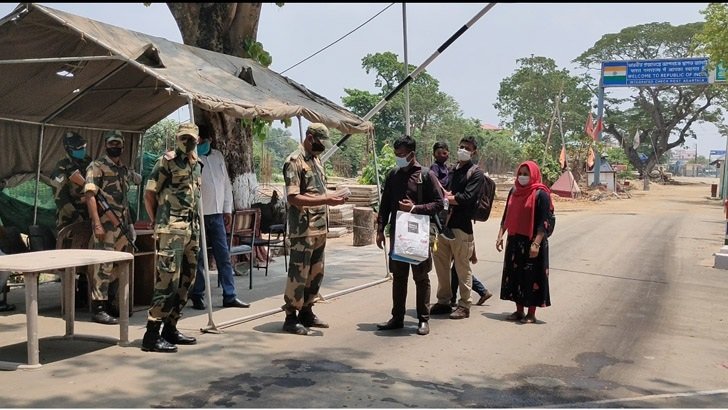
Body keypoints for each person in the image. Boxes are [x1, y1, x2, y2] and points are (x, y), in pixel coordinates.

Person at [281, 123, 347, 335]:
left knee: (316, 272)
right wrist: (327, 199)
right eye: (319, 143)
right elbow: (293, 197)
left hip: (319, 227)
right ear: (309, 138)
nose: (322, 148)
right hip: (303, 228)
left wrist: (333, 196)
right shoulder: (294, 162)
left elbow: (317, 190)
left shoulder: (316, 160)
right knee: (298, 274)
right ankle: (291, 316)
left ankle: (307, 311)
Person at [142, 123, 202, 353]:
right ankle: (151, 334)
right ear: (177, 139)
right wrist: (158, 220)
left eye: (191, 138)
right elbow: (149, 193)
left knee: (188, 279)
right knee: (166, 280)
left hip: (191, 229)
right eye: (183, 138)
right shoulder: (165, 162)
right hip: (171, 230)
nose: (187, 142)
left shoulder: (197, 164)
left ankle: (171, 327)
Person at [375, 135, 444, 336]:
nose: (398, 158)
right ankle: (397, 318)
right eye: (396, 154)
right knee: (399, 277)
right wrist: (381, 229)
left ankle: (423, 319)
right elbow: (385, 204)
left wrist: (415, 208)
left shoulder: (426, 175)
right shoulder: (393, 175)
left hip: (419, 235)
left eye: (401, 155)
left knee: (421, 277)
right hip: (398, 234)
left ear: (412, 154)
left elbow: (440, 204)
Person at [189, 124, 250, 310]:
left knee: (223, 256)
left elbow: (225, 185)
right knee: (199, 258)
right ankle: (197, 294)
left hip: (216, 215)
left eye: (206, 141)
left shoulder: (217, 156)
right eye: (200, 141)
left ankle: (229, 295)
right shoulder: (190, 158)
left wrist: (227, 209)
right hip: (198, 214)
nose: (203, 143)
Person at [84, 130, 141, 325]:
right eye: (111, 144)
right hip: (105, 223)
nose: (115, 147)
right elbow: (90, 196)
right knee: (103, 265)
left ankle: (110, 303)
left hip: (122, 224)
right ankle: (98, 307)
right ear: (106, 145)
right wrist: (97, 223)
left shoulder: (123, 169)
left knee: (118, 264)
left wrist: (131, 225)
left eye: (118, 144)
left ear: (123, 147)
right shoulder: (97, 166)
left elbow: (125, 200)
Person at [430, 141, 493, 308]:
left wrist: (445, 198)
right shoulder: (451, 170)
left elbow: (466, 198)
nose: (463, 150)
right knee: (442, 268)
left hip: (461, 228)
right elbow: (446, 191)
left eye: (468, 148)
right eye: (461, 146)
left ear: (474, 152)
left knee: (462, 268)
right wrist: (447, 197)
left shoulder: (476, 173)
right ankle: (443, 301)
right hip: (444, 226)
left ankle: (464, 305)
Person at [496, 160, 552, 324]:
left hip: (533, 241)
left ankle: (531, 313)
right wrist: (500, 235)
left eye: (526, 174)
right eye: (520, 173)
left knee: (531, 277)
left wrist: (536, 243)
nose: (522, 177)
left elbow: (544, 221)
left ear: (533, 175)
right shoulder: (514, 191)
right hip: (515, 240)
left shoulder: (541, 194)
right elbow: (507, 214)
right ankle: (519, 310)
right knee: (515, 275)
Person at [50, 131, 92, 307]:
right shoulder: (61, 168)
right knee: (71, 260)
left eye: (83, 147)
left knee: (89, 258)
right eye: (78, 148)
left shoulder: (89, 163)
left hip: (90, 217)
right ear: (68, 149)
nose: (82, 150)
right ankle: (69, 299)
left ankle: (85, 293)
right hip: (70, 220)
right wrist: (76, 216)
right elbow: (60, 198)